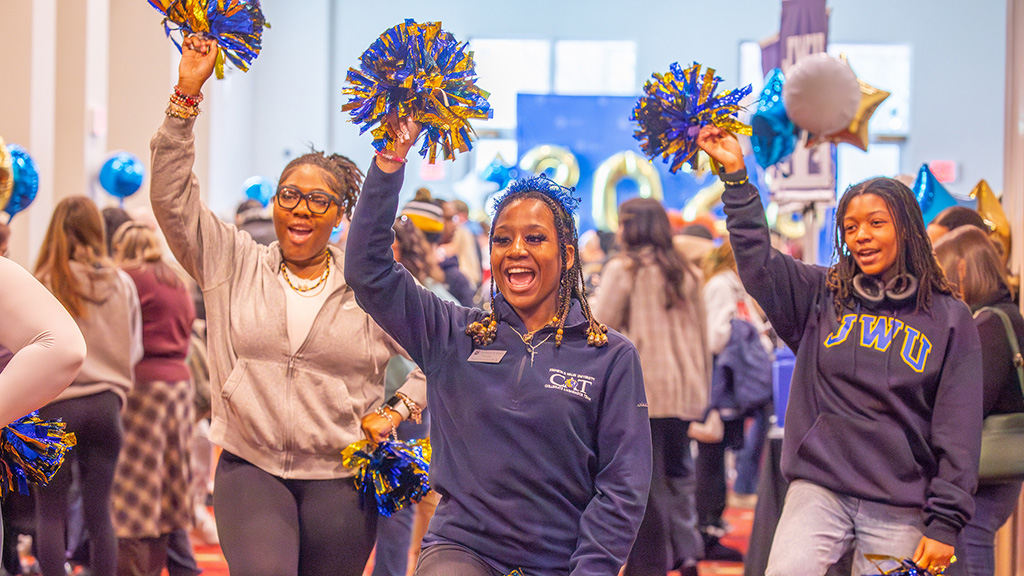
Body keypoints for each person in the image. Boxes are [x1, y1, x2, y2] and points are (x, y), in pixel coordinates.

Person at [149, 36, 425, 576]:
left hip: (342, 477)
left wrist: (397, 409)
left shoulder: (370, 286)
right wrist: (185, 98)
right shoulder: (232, 261)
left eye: (318, 200)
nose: (300, 209)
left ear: (340, 215)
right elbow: (171, 199)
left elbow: (436, 355)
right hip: (250, 467)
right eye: (289, 196)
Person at [346, 115, 652, 576]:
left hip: (563, 562)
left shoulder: (611, 356)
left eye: (536, 238)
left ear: (567, 255)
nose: (517, 250)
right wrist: (389, 161)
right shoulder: (453, 334)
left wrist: (591, 569)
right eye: (503, 239)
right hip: (462, 551)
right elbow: (367, 272)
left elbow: (623, 486)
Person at [696, 125, 983, 576]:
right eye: (850, 227)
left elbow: (959, 428)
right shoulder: (821, 293)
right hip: (820, 489)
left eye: (876, 223)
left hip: (900, 503)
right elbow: (757, 262)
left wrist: (945, 522)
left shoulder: (949, 317)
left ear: (907, 229)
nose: (861, 235)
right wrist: (735, 177)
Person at [590, 197, 710, 576]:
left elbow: (601, 326)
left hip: (642, 390)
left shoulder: (624, 269)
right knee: (678, 475)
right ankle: (687, 553)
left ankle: (651, 564)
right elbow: (703, 337)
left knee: (646, 482)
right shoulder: (687, 272)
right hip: (685, 388)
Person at [33, 196, 143, 576]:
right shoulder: (123, 283)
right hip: (106, 405)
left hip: (57, 404)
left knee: (50, 514)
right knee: (100, 514)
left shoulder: (45, 281)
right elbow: (135, 348)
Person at [933, 226, 1024, 576]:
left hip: (985, 472)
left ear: (962, 269)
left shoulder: (987, 326)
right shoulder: (1005, 316)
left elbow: (969, 406)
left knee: (971, 544)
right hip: (996, 473)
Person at [108, 221, 197, 576]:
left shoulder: (126, 278)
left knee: (131, 492)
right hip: (180, 387)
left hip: (142, 388)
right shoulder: (176, 278)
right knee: (167, 493)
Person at [697, 238, 775, 563]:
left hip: (730, 384)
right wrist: (743, 332)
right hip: (719, 385)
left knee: (715, 456)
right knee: (710, 456)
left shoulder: (732, 286)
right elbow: (714, 337)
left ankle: (710, 528)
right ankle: (705, 533)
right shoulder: (721, 286)